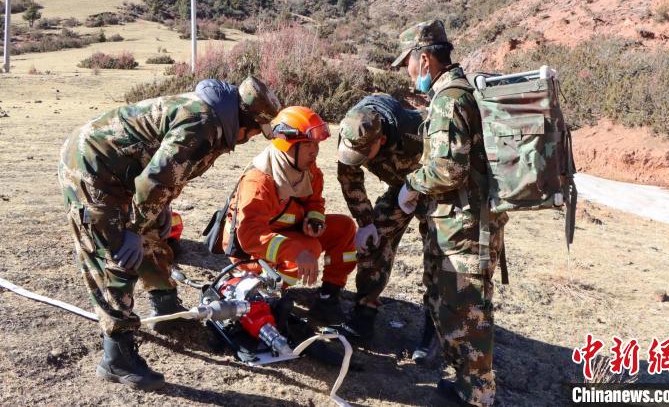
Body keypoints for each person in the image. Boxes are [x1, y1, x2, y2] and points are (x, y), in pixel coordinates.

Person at [58, 76, 281, 391]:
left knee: (151, 233)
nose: (252, 137)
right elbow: (156, 180)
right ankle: (117, 355)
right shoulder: (203, 124)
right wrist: (134, 228)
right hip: (92, 166)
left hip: (123, 169)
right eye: (257, 130)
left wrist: (158, 210)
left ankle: (165, 305)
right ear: (248, 122)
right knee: (116, 251)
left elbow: (164, 170)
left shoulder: (213, 118)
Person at [393, 20, 508, 406]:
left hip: (465, 227)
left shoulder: (449, 99)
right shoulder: (457, 93)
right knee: (454, 306)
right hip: (461, 224)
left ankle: (477, 395)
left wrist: (411, 185)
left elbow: (449, 168)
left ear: (424, 59)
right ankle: (466, 384)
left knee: (468, 309)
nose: (408, 73)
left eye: (408, 63)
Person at [222, 106, 358, 324]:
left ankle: (328, 297)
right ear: (287, 146)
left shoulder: (307, 169)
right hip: (252, 253)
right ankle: (270, 295)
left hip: (288, 232)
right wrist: (297, 252)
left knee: (344, 227)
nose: (315, 151)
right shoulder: (259, 182)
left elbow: (315, 200)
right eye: (308, 145)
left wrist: (315, 219)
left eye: (316, 145)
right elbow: (249, 237)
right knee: (309, 249)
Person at [335, 94, 438, 361]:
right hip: (399, 188)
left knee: (439, 252)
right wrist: (365, 221)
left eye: (362, 155)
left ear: (381, 141)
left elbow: (447, 166)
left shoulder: (419, 131)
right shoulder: (352, 130)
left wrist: (414, 186)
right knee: (375, 241)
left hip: (438, 189)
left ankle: (436, 325)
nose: (356, 158)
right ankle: (365, 309)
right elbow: (349, 178)